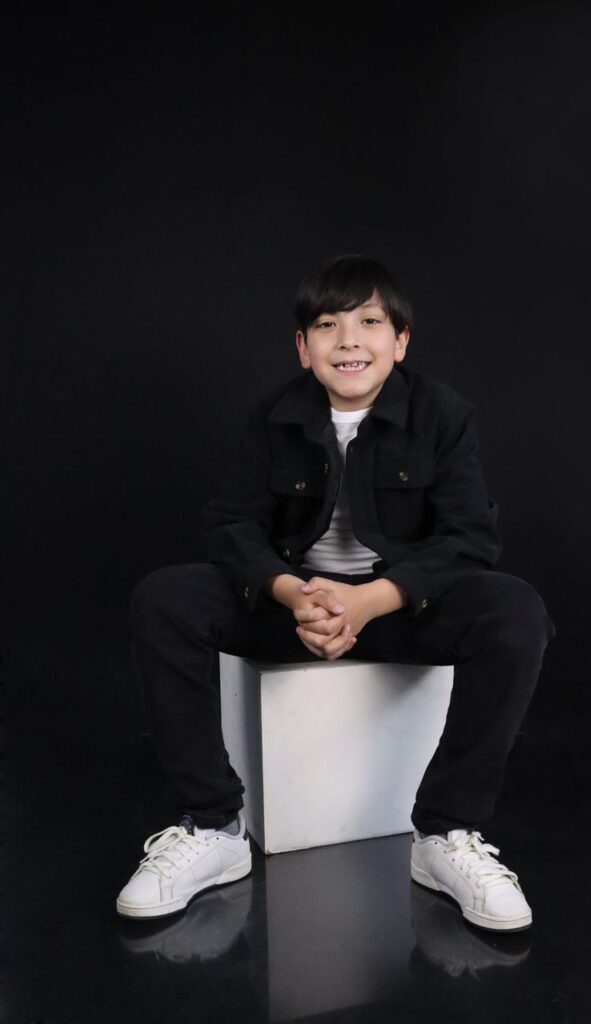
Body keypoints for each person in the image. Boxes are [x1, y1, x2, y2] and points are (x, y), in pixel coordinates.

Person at [116, 254, 556, 931]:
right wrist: (294, 593)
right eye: (327, 324)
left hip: (399, 610)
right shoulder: (275, 416)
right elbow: (231, 524)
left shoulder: (443, 414)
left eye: (369, 322)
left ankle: (445, 832)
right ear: (303, 347)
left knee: (515, 610)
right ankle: (213, 827)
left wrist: (369, 600)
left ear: (400, 341)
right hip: (292, 608)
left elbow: (470, 537)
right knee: (166, 597)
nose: (349, 340)